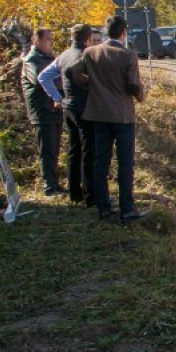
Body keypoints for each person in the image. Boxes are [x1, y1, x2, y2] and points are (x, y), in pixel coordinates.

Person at [73, 15, 144, 223]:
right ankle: (127, 208)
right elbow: (134, 86)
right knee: (125, 163)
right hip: (122, 115)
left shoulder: (90, 52)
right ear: (123, 33)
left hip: (98, 114)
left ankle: (103, 207)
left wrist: (90, 85)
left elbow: (73, 73)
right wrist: (140, 96)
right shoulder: (127, 55)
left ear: (106, 31)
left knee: (100, 162)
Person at [38, 23, 98, 205]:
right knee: (89, 151)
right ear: (88, 39)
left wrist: (58, 98)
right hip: (86, 108)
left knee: (74, 150)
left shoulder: (63, 56)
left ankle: (74, 192)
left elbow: (43, 77)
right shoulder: (85, 55)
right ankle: (90, 195)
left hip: (68, 108)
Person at [21, 27, 65, 196]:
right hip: (42, 110)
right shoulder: (32, 60)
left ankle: (55, 183)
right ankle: (49, 186)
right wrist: (59, 83)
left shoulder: (49, 58)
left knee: (54, 148)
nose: (51, 43)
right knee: (46, 149)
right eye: (48, 39)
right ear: (36, 40)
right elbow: (40, 80)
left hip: (54, 109)